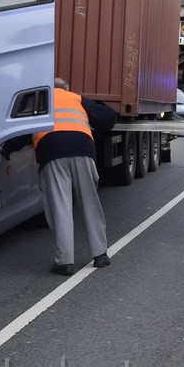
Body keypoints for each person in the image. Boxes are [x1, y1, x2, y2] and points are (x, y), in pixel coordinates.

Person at [32, 77, 118, 276]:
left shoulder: (39, 102)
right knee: (90, 201)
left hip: (51, 151)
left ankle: (65, 262)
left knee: (60, 205)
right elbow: (108, 119)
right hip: (83, 149)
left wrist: (7, 149)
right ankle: (100, 255)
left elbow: (19, 130)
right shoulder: (77, 99)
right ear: (66, 89)